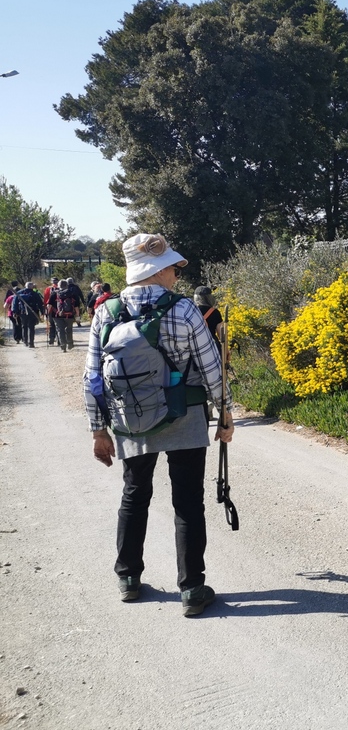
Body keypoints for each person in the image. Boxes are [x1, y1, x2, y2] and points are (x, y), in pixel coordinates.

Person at [84, 233, 235, 617]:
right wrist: (225, 414)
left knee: (135, 496)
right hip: (184, 417)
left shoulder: (107, 311)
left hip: (131, 420)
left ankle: (128, 579)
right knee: (187, 502)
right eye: (171, 267)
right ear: (157, 269)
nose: (175, 273)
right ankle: (192, 589)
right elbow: (211, 368)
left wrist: (98, 429)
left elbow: (92, 378)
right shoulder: (184, 310)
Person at [192, 286, 226, 357]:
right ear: (210, 297)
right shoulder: (215, 312)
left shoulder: (191, 311)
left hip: (194, 346)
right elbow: (222, 335)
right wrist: (226, 351)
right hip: (211, 346)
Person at [14, 282, 45, 348]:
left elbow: (15, 303)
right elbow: (40, 303)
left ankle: (25, 342)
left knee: (24, 326)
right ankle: (31, 343)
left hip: (23, 312)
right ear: (32, 286)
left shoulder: (19, 293)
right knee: (31, 327)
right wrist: (42, 312)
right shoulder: (35, 294)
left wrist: (15, 312)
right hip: (33, 312)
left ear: (25, 286)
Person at [52, 279, 77, 352]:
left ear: (58, 285)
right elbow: (76, 305)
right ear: (67, 285)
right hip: (70, 315)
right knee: (69, 329)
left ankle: (63, 346)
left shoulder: (54, 293)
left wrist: (47, 314)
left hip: (57, 315)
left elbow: (49, 305)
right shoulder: (72, 293)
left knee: (60, 330)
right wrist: (77, 315)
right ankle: (70, 344)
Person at [43, 276, 61, 345]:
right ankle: (59, 339)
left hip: (50, 310)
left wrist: (45, 309)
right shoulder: (61, 288)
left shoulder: (48, 289)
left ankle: (51, 339)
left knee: (51, 324)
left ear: (51, 282)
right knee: (59, 325)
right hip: (60, 310)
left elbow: (45, 300)